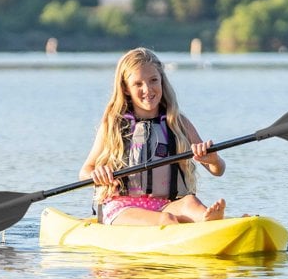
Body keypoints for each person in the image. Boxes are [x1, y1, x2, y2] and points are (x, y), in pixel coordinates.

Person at [79, 47, 226, 226]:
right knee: (167, 220)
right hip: (121, 207)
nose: (147, 89)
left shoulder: (178, 123)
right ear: (125, 88)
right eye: (138, 84)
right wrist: (96, 174)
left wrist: (213, 160)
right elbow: (85, 171)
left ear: (162, 81)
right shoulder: (113, 124)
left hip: (165, 204)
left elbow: (218, 170)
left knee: (190, 202)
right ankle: (203, 226)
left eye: (153, 80)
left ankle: (209, 221)